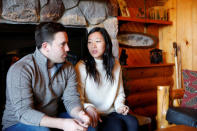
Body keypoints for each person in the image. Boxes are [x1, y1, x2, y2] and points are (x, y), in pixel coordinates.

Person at [2, 22, 91, 131]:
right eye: (63, 44)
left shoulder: (68, 68)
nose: (68, 48)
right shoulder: (21, 69)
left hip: (52, 119)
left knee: (88, 126)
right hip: (17, 123)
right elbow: (24, 113)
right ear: (46, 46)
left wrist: (79, 114)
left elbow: (71, 99)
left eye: (67, 43)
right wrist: (63, 124)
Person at [75, 27, 138, 131]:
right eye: (89, 42)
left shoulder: (115, 64)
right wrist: (88, 107)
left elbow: (120, 93)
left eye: (98, 41)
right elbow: (77, 97)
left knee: (133, 123)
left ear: (106, 44)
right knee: (116, 126)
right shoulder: (82, 66)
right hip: (93, 112)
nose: (93, 46)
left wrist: (120, 107)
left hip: (112, 111)